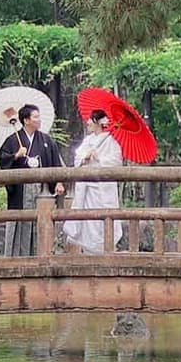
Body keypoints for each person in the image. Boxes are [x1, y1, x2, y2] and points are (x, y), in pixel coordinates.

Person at [0, 102, 63, 254]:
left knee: (41, 220)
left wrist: (58, 182)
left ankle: (42, 253)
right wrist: (16, 155)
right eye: (36, 117)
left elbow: (55, 162)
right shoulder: (13, 140)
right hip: (21, 190)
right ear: (26, 120)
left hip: (42, 190)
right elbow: (2, 159)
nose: (39, 120)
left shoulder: (46, 140)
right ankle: (17, 255)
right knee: (21, 220)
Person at [63, 107, 125, 253]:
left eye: (91, 119)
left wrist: (99, 157)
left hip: (103, 189)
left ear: (98, 122)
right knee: (87, 220)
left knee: (102, 220)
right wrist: (84, 157)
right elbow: (77, 157)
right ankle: (88, 251)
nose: (88, 122)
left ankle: (104, 250)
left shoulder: (110, 140)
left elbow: (116, 161)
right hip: (87, 188)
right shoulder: (88, 140)